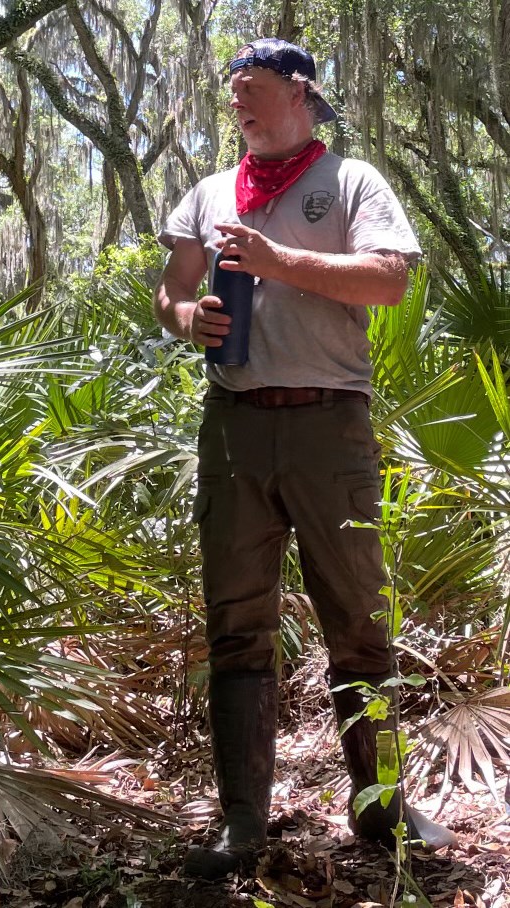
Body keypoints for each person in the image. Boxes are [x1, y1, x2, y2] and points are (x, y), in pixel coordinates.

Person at [154, 37, 457, 880]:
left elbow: (389, 281)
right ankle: (242, 822)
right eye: (232, 93)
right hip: (234, 427)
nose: (237, 105)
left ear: (301, 93)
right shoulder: (211, 192)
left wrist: (280, 260)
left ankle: (383, 807)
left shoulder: (351, 182)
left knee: (360, 623)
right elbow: (170, 291)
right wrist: (190, 322)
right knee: (236, 624)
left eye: (251, 89)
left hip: (330, 423)